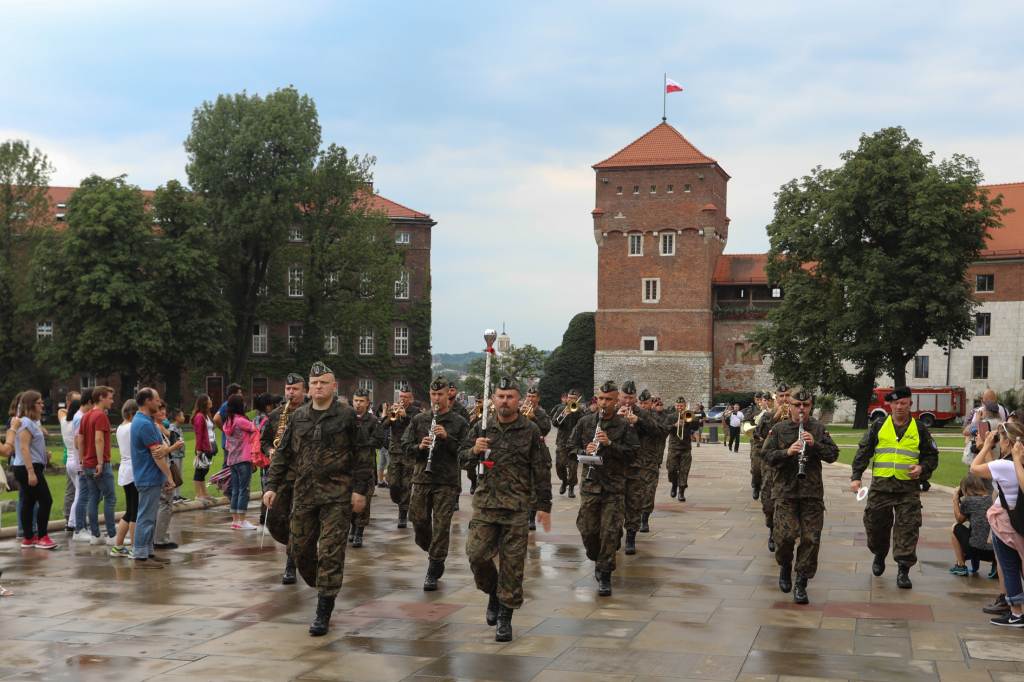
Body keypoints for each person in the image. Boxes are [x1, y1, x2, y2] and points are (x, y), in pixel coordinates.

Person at [263, 361, 372, 636]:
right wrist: (272, 485)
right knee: (299, 550)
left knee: (332, 551)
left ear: (334, 386)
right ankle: (321, 583)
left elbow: (363, 455)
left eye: (324, 382)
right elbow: (283, 454)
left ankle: (324, 607)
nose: (318, 386)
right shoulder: (298, 417)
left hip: (338, 496)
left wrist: (361, 491)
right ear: (308, 388)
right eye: (314, 383)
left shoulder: (347, 416)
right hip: (304, 494)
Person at [460, 376, 552, 642]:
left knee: (513, 565)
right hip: (485, 506)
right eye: (500, 396)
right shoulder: (481, 427)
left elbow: (541, 469)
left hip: (516, 508)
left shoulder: (530, 429)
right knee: (476, 555)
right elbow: (461, 458)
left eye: (510, 396)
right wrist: (472, 452)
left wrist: (543, 506)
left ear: (518, 399)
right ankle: (493, 592)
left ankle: (505, 617)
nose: (505, 401)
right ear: (493, 399)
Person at [851, 386, 939, 590]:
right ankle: (879, 553)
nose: (899, 406)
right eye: (896, 403)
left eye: (904, 403)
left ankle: (903, 571)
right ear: (890, 404)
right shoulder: (879, 425)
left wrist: (922, 468)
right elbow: (864, 451)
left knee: (908, 530)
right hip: (880, 489)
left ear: (910, 404)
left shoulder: (919, 428)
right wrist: (856, 477)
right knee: (874, 527)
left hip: (908, 490)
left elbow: (931, 456)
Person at [762, 387, 839, 604]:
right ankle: (785, 566)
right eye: (797, 405)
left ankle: (801, 582)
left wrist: (815, 445)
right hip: (785, 493)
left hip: (812, 494)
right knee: (785, 537)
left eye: (806, 405)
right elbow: (765, 455)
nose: (802, 409)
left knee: (811, 540)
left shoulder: (818, 428)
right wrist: (787, 452)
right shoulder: (778, 428)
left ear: (811, 406)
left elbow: (833, 455)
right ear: (790, 406)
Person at [568, 380, 640, 597]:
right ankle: (598, 558)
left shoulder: (624, 425)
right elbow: (570, 449)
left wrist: (610, 444)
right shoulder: (584, 422)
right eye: (601, 398)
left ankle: (605, 574)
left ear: (617, 400)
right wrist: (584, 449)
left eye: (609, 399)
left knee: (608, 533)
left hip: (614, 488)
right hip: (591, 486)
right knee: (588, 531)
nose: (604, 403)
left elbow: (633, 453)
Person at [402, 375, 471, 590]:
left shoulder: (458, 422)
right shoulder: (420, 420)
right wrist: (419, 447)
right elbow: (405, 445)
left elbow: (466, 452)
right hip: (422, 478)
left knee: (441, 526)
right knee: (419, 522)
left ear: (448, 394)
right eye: (433, 395)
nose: (437, 398)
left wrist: (447, 438)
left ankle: (434, 565)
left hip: (446, 482)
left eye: (440, 394)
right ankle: (434, 552)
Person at [969, 422, 1024, 627]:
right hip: (1019, 518)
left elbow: (975, 468)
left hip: (1005, 520)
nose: (998, 442)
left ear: (1008, 442)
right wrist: (991, 447)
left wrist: (984, 447)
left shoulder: (1005, 465)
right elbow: (996, 472)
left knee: (1009, 567)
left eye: (1000, 440)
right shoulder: (1016, 463)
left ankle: (1016, 614)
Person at [259, 373, 307, 584]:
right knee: (275, 519)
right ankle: (295, 547)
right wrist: (270, 450)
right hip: (281, 475)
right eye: (288, 389)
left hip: (304, 474)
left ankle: (291, 562)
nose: (290, 393)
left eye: (295, 389)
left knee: (298, 520)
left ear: (304, 391)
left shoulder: (310, 413)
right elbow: (265, 440)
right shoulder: (277, 414)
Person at [619, 381, 669, 556]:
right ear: (619, 396)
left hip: (641, 464)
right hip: (617, 465)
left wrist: (638, 421)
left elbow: (662, 432)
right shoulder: (613, 412)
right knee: (616, 502)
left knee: (636, 500)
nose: (628, 401)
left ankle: (631, 536)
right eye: (625, 397)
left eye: (631, 398)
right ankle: (617, 531)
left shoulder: (644, 415)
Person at [130, 388, 175, 569]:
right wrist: (169, 476)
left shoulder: (145, 421)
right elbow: (157, 454)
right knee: (146, 517)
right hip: (148, 476)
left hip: (149, 476)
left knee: (149, 517)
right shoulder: (145, 424)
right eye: (156, 400)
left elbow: (162, 447)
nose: (159, 403)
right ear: (147, 401)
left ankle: (147, 552)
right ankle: (141, 556)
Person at [12, 391, 57, 549]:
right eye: (39, 402)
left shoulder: (31, 422)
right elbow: (23, 448)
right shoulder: (25, 422)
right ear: (32, 405)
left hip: (29, 466)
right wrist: (31, 471)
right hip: (27, 468)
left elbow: (30, 446)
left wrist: (43, 455)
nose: (42, 405)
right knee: (46, 500)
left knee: (29, 501)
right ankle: (42, 537)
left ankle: (29, 537)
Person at [80, 386, 117, 545]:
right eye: (109, 398)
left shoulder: (86, 415)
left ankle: (95, 535)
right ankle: (112, 535)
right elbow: (98, 440)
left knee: (93, 498)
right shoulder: (101, 416)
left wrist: (82, 461)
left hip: (87, 464)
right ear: (101, 397)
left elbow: (80, 440)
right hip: (99, 463)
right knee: (110, 497)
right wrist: (101, 463)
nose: (112, 401)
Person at [380, 387, 421, 528]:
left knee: (406, 484)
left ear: (411, 399)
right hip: (395, 452)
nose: (402, 399)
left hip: (409, 453)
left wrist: (405, 417)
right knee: (393, 483)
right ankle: (400, 503)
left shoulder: (415, 412)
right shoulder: (394, 409)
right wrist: (390, 413)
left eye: (405, 397)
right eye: (401, 396)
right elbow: (383, 426)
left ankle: (403, 514)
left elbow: (417, 428)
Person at [350, 388, 385, 548]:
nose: (358, 403)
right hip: (348, 466)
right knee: (348, 499)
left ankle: (359, 532)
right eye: (356, 400)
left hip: (366, 467)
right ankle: (351, 527)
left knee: (364, 500)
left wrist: (362, 442)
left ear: (367, 403)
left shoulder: (373, 421)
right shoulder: (348, 418)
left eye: (361, 401)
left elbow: (378, 441)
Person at [758, 385, 790, 552]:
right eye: (781, 396)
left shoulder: (800, 415)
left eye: (787, 396)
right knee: (769, 504)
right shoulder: (768, 416)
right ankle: (772, 529)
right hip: (772, 467)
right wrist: (776, 417)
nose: (784, 399)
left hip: (792, 468)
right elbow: (760, 434)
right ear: (776, 399)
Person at [154, 400, 186, 549]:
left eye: (164, 410)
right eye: (160, 409)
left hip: (162, 470)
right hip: (160, 471)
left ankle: (160, 537)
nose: (164, 413)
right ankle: (159, 539)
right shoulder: (153, 428)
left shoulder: (159, 428)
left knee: (165, 504)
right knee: (165, 504)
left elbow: (168, 442)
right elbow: (161, 452)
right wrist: (174, 446)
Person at [221, 393, 257, 530]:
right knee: (244, 490)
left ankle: (235, 521)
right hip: (244, 459)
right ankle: (242, 521)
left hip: (232, 460)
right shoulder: (240, 420)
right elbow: (255, 428)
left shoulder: (228, 422)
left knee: (235, 491)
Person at [949, 474, 995, 575]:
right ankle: (996, 567)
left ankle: (961, 565)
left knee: (954, 527)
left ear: (964, 490)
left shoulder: (968, 501)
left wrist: (955, 499)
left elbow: (959, 520)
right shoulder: (993, 499)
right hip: (995, 552)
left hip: (976, 550)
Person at [520, 386, 552, 530]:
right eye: (528, 396)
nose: (530, 399)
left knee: (533, 486)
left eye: (533, 397)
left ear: (538, 398)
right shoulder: (518, 411)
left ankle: (531, 517)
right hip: (520, 451)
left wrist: (534, 418)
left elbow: (545, 430)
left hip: (536, 452)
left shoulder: (541, 414)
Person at [110, 400, 139, 558]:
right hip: (133, 470)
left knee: (129, 511)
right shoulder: (131, 427)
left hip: (125, 470)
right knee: (135, 511)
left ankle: (118, 545)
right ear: (131, 414)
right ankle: (135, 547)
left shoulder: (121, 427)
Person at [640, 391, 669, 531]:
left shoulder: (655, 418)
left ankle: (644, 518)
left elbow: (664, 432)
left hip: (650, 461)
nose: (643, 406)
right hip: (632, 462)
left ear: (651, 404)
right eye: (640, 403)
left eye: (646, 403)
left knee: (649, 491)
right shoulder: (627, 417)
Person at [552, 385, 587, 498]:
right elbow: (555, 423)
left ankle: (571, 487)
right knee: (560, 465)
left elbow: (584, 423)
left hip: (574, 443)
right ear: (566, 398)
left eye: (573, 398)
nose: (571, 400)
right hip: (562, 442)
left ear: (576, 399)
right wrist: (563, 415)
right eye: (569, 398)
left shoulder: (580, 410)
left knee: (573, 467)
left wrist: (576, 412)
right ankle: (563, 480)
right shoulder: (561, 409)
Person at [58, 391, 81, 531]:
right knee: (77, 493)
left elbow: (61, 411)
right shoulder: (77, 422)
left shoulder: (64, 420)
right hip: (77, 460)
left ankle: (71, 520)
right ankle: (72, 522)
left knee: (74, 492)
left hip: (69, 461)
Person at [664, 397, 695, 501]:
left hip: (685, 448)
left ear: (685, 406)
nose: (679, 408)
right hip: (673, 448)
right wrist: (674, 425)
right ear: (675, 406)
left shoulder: (689, 415)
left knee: (684, 471)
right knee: (671, 469)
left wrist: (690, 418)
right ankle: (674, 483)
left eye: (681, 406)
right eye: (677, 406)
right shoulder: (670, 417)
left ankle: (681, 492)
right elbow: (664, 428)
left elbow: (696, 427)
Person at [190, 395, 216, 501]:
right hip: (203, 447)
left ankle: (204, 493)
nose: (211, 402)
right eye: (209, 400)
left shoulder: (206, 415)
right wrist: (199, 449)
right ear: (204, 402)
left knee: (204, 470)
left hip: (208, 446)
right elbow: (199, 435)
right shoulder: (200, 417)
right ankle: (198, 494)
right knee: (199, 471)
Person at [747, 392, 769, 500]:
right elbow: (749, 428)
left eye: (769, 400)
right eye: (764, 400)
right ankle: (756, 486)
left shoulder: (776, 413)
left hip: (771, 446)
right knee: (756, 468)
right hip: (758, 445)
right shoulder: (755, 414)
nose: (766, 402)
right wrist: (757, 434)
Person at [168, 409, 187, 503]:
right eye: (182, 416)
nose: (184, 418)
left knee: (179, 474)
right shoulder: (171, 428)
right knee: (174, 474)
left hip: (180, 454)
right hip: (175, 454)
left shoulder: (179, 428)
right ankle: (174, 495)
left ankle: (178, 495)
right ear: (177, 417)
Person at [375, 401, 390, 488]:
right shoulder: (382, 416)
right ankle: (388, 481)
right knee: (390, 462)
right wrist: (385, 412)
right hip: (385, 442)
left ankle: (381, 481)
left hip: (381, 443)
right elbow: (381, 425)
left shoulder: (379, 415)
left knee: (381, 463)